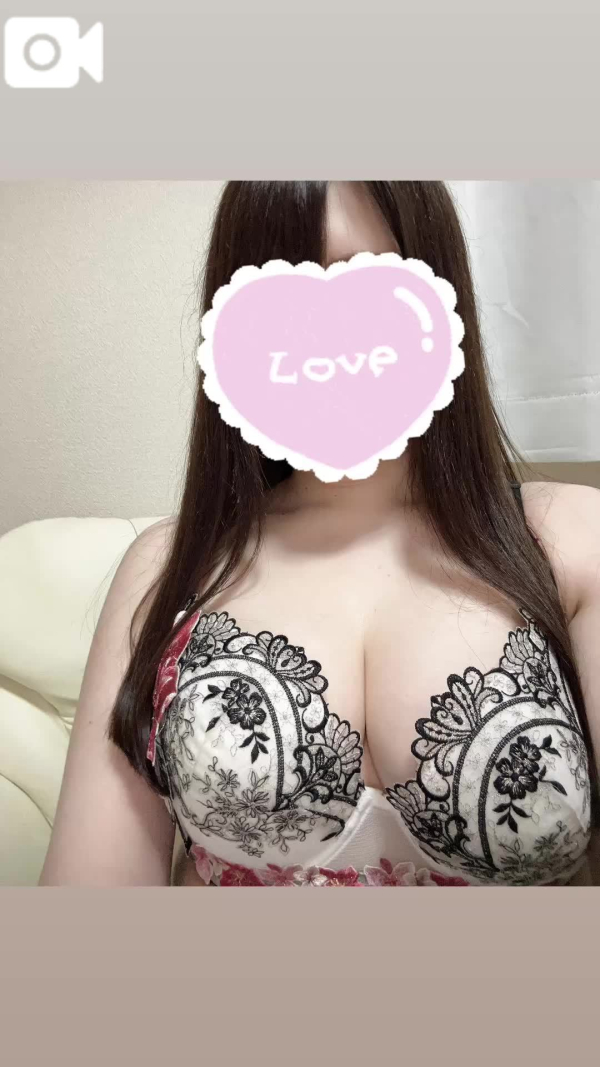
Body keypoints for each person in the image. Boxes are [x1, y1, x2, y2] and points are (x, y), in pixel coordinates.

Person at [39, 181, 600, 887]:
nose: (326, 338)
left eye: (363, 280)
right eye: (282, 294)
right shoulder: (165, 570)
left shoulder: (570, 537)